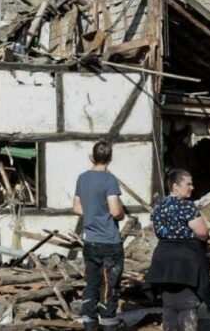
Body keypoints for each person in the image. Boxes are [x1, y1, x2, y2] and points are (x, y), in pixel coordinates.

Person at [148, 169, 210, 331]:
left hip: (163, 260)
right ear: (175, 186)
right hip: (185, 261)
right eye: (188, 184)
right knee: (187, 305)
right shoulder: (187, 206)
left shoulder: (159, 206)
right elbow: (202, 233)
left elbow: (156, 232)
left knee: (169, 305)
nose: (192, 187)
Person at [72, 141, 126, 331]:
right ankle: (108, 323)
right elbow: (114, 210)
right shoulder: (109, 179)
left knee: (92, 283)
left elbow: (77, 208)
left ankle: (89, 324)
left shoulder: (82, 178)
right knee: (109, 286)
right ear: (110, 158)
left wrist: (93, 212)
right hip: (109, 241)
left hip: (90, 240)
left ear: (92, 157)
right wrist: (121, 213)